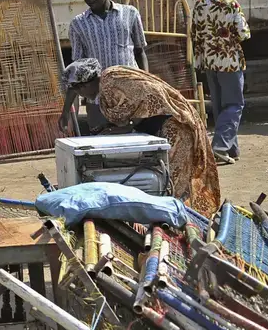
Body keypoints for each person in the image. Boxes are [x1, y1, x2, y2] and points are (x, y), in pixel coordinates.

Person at [59, 60, 221, 217]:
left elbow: (148, 99)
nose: (82, 97)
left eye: (80, 92)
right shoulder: (108, 79)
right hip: (169, 122)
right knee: (171, 178)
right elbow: (136, 107)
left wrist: (126, 127)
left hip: (176, 125)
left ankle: (184, 220)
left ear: (85, 84)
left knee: (176, 180)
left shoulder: (111, 85)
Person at [68, 0, 149, 133]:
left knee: (137, 145)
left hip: (130, 96)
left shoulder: (130, 14)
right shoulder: (78, 24)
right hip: (99, 102)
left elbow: (140, 52)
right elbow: (77, 71)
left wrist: (147, 87)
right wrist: (66, 110)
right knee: (102, 147)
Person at [189, 0, 250, 164]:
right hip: (229, 62)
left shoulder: (199, 4)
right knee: (234, 105)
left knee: (220, 106)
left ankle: (231, 149)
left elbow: (194, 33)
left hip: (209, 61)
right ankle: (220, 147)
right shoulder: (231, 4)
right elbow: (243, 33)